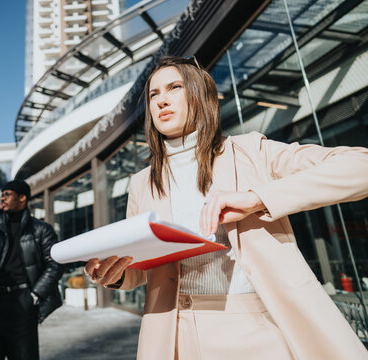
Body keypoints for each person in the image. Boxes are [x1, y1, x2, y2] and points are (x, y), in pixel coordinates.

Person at [85, 56, 368, 359]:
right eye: (154, 94)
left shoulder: (250, 151)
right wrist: (114, 274)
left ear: (201, 96)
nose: (161, 101)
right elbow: (141, 271)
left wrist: (257, 198)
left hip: (258, 330)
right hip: (174, 337)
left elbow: (360, 167)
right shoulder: (142, 182)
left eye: (174, 88)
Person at [0, 179, 63, 360]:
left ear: (23, 198)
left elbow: (55, 265)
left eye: (7, 195)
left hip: (22, 306)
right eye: (2, 195)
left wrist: (34, 295)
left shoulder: (41, 230)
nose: (2, 199)